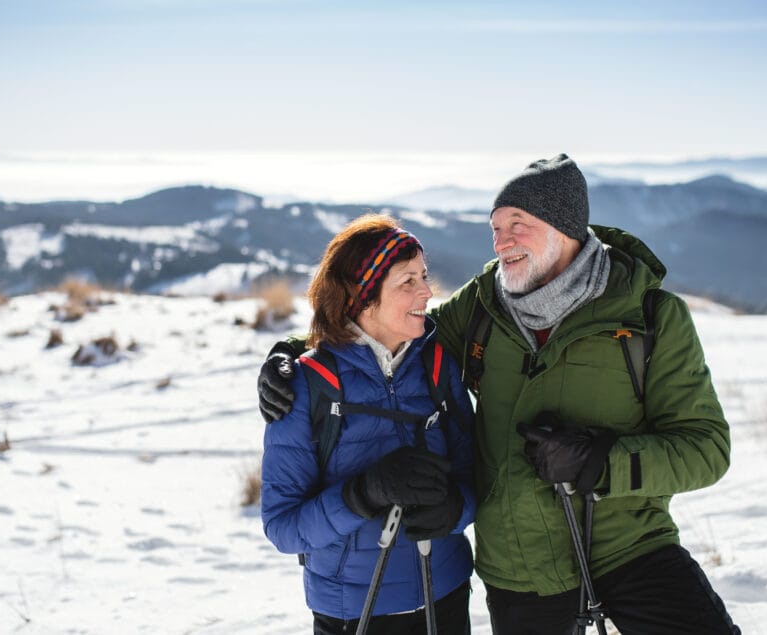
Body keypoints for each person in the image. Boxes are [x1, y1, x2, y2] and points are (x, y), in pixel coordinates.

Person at [259, 155, 741, 634]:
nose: (500, 240)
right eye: (495, 226)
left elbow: (707, 449)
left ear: (564, 228)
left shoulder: (649, 316)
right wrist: (291, 352)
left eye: (518, 224)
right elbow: (380, 329)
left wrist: (602, 461)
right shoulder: (484, 305)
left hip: (631, 547)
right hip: (521, 567)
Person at [260, 214, 476, 634]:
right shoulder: (307, 385)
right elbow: (283, 526)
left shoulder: (437, 364)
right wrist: (362, 494)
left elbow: (476, 474)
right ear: (363, 297)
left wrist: (455, 509)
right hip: (352, 611)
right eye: (407, 282)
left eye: (424, 277)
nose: (427, 292)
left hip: (445, 596)